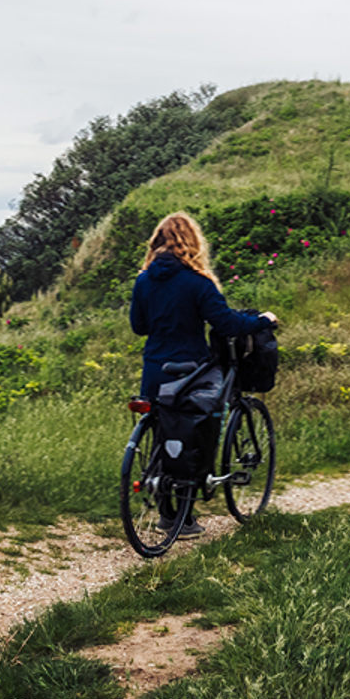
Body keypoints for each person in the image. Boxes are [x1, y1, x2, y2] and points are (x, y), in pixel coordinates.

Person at [129, 211, 276, 535]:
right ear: (192, 242)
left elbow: (139, 326)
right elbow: (227, 323)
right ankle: (184, 516)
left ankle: (168, 515)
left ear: (157, 242)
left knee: (161, 434)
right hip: (190, 370)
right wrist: (262, 320)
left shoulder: (144, 280)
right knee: (194, 435)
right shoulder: (198, 282)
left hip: (154, 368)